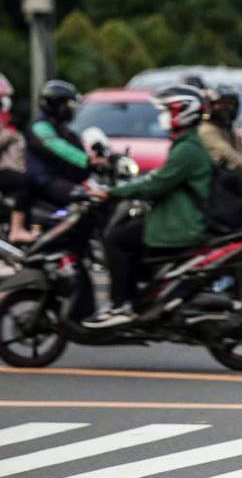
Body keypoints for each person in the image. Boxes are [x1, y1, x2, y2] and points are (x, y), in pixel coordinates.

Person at [83, 85, 213, 329]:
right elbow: (160, 177)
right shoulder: (187, 144)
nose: (163, 116)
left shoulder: (188, 149)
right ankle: (138, 297)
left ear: (183, 113)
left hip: (179, 223)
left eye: (167, 110)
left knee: (116, 240)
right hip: (175, 216)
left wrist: (112, 192)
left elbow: (157, 184)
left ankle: (122, 304)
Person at [24, 80, 109, 211]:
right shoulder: (40, 126)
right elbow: (57, 147)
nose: (71, 109)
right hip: (44, 180)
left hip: (62, 178)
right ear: (55, 104)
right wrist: (87, 160)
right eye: (68, 104)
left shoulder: (62, 127)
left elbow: (78, 146)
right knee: (86, 198)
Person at [0, 75, 34, 244]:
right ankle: (16, 229)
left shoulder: (6, 120)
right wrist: (10, 135)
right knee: (25, 182)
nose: (5, 102)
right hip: (3, 171)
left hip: (12, 168)